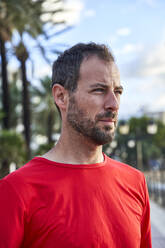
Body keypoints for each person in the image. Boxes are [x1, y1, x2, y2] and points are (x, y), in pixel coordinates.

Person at [0, 43, 152, 248]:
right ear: (61, 96)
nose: (113, 104)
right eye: (99, 90)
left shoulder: (136, 182)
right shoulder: (16, 190)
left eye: (118, 91)